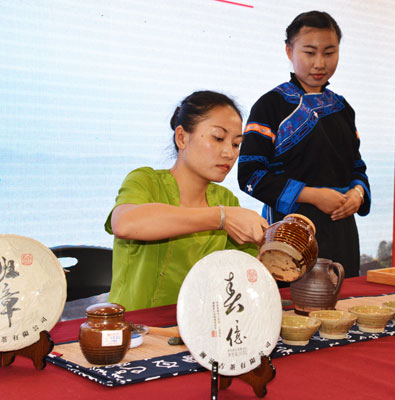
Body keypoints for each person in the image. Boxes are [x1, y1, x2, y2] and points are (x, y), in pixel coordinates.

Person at [105, 90, 268, 311]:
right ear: (181, 137)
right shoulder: (145, 181)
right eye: (218, 138)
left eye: (236, 144)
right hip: (134, 325)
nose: (229, 153)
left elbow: (246, 270)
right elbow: (125, 224)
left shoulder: (225, 200)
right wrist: (221, 217)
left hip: (198, 326)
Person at [238, 11, 370, 279]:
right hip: (290, 234)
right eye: (310, 52)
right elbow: (250, 175)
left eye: (329, 53)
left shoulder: (343, 108)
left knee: (346, 297)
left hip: (343, 230)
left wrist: (357, 194)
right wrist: (314, 196)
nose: (320, 63)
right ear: (289, 50)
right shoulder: (270, 106)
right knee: (293, 301)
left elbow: (357, 168)